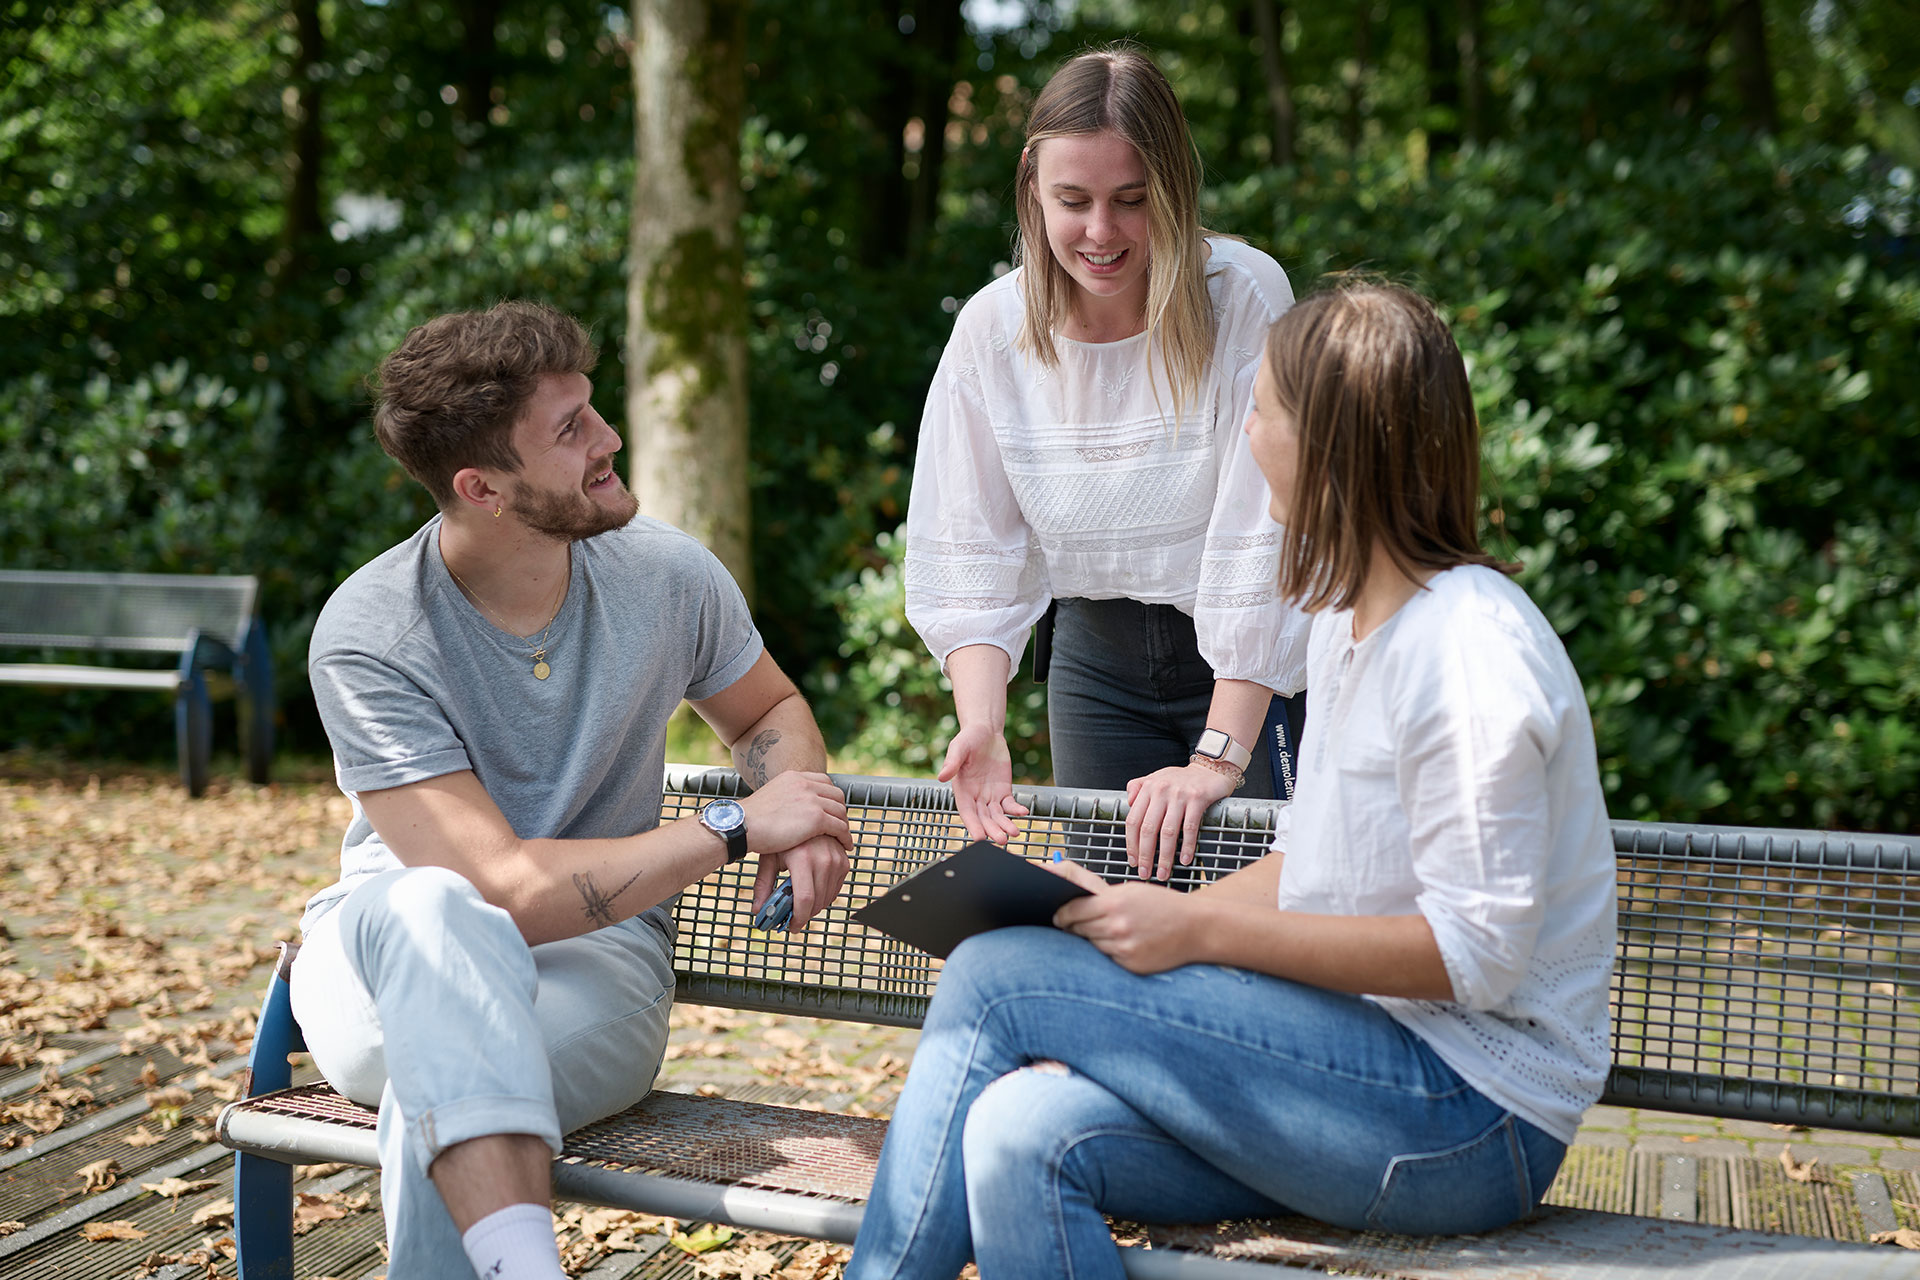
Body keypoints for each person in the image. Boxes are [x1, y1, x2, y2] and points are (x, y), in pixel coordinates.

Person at [846, 282, 1618, 1279]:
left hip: (1470, 1117)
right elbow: (1306, 865)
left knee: (994, 977)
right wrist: (1132, 913)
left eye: (1260, 411)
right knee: (1017, 1128)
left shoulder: (1468, 653)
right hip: (1353, 1068)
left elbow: (1477, 956)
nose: (1244, 437)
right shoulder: (1347, 622)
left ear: (1332, 447)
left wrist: (1195, 932)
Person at [294, 300, 853, 1280]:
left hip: (595, 966)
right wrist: (733, 824)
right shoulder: (372, 634)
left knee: (441, 1088)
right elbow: (500, 887)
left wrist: (798, 807)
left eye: (593, 408)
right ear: (483, 488)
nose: (609, 438)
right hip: (384, 957)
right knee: (434, 907)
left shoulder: (667, 574)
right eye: (570, 430)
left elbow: (766, 708)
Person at [903, 45, 1311, 880]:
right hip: (1095, 667)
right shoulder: (991, 330)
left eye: (1132, 200)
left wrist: (1218, 758)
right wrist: (981, 722)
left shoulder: (1246, 296)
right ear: (1031, 184)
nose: (1100, 232)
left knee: (1253, 920)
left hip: (1247, 672)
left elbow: (1263, 544)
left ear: (1175, 187)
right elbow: (970, 550)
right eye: (1073, 200)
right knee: (1116, 917)